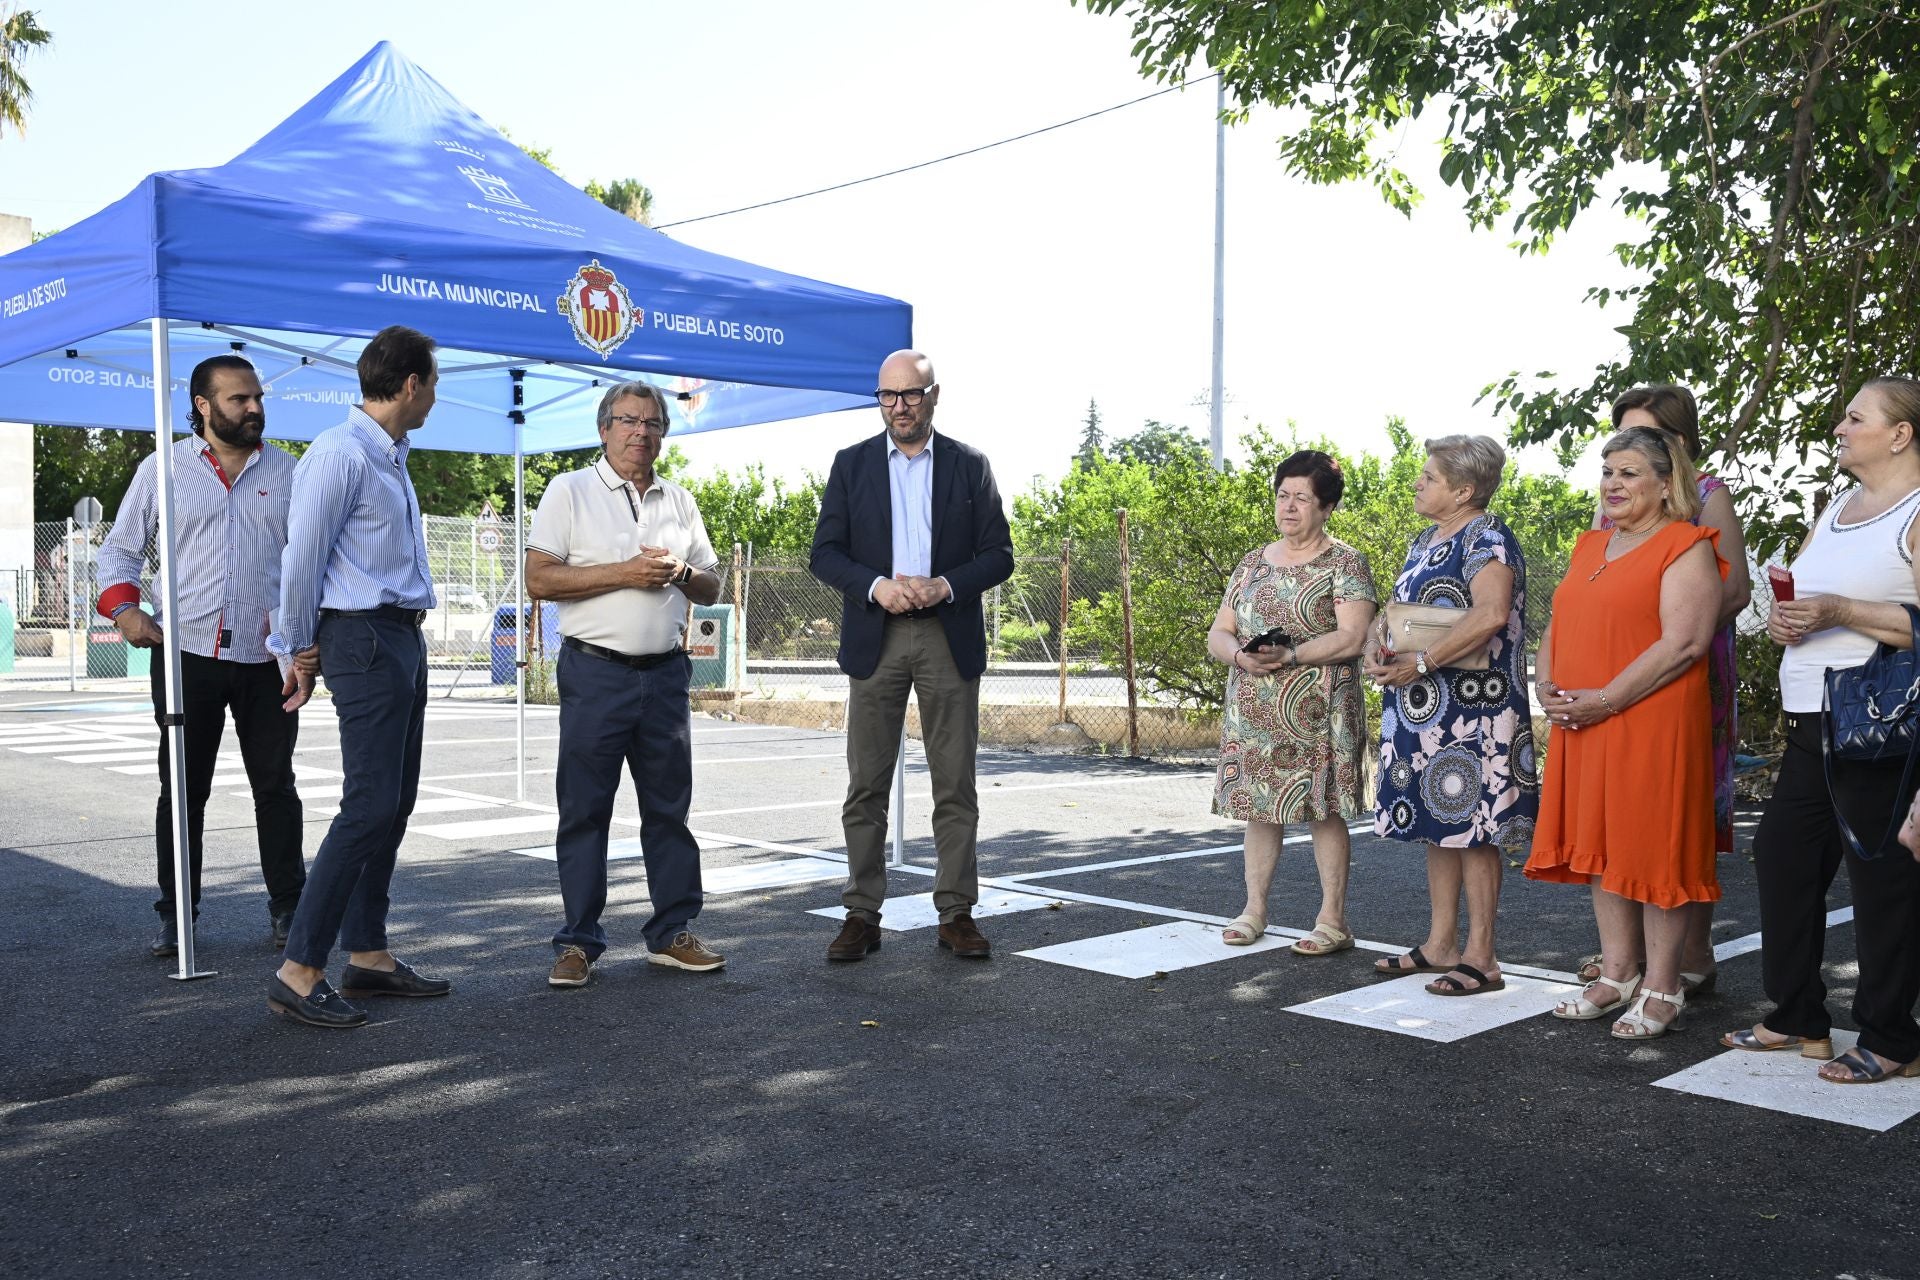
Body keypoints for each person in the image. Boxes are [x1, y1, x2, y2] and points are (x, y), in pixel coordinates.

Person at [1719, 377, 1920, 1084]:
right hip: (1812, 724)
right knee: (1782, 860)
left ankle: (1893, 1037)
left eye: (1855, 417)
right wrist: (1790, 617)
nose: (1839, 427)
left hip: (1881, 729)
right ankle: (1798, 1015)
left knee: (1882, 883)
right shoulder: (1837, 507)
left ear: (1900, 434)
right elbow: (1809, 599)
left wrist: (1839, 608)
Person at [265, 325, 449, 1029]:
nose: (434, 395)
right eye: (431, 382)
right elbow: (301, 559)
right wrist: (296, 648)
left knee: (393, 803)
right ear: (409, 385)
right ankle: (299, 969)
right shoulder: (339, 454)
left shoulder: (391, 454)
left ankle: (366, 955)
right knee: (369, 803)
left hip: (398, 636)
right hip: (361, 637)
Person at [94, 354, 305, 957]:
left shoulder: (290, 473)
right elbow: (119, 555)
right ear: (203, 407)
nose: (255, 408)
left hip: (269, 659)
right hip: (187, 656)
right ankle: (176, 914)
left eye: (257, 397)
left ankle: (288, 909)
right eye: (239, 399)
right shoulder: (161, 470)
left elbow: (312, 564)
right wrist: (126, 612)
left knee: (277, 787)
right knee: (183, 790)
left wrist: (304, 646)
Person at [809, 350, 1013, 961]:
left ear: (933, 395)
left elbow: (999, 554)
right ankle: (861, 915)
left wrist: (943, 585)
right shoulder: (851, 465)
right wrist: (878, 586)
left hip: (947, 634)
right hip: (878, 635)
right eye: (888, 396)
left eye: (911, 394)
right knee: (865, 785)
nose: (900, 406)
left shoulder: (970, 465)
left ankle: (956, 913)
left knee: (955, 784)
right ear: (879, 400)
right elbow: (825, 553)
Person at [1524, 426, 1726, 1040]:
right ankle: (1617, 974)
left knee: (1653, 849)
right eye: (1608, 471)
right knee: (1599, 844)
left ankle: (1663, 987)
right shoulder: (1591, 544)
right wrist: (1547, 682)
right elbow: (1562, 619)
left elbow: (1685, 643)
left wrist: (1605, 700)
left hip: (1648, 721)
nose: (1613, 482)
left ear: (1667, 485)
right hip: (1582, 719)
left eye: (1630, 472)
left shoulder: (1686, 545)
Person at [526, 382, 726, 988]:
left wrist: (683, 572)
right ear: (604, 429)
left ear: (664, 433)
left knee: (669, 811)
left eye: (653, 423)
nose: (642, 432)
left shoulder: (680, 500)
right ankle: (578, 942)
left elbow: (712, 586)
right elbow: (539, 578)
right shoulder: (570, 490)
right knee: (584, 811)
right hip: (596, 671)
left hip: (665, 674)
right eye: (628, 421)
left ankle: (672, 933)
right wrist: (628, 572)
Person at [1572, 386, 1753, 995]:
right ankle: (1628, 960)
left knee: (1680, 814)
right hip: (1612, 672)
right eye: (1621, 437)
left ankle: (1688, 958)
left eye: (1647, 435)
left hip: (1685, 668)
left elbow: (1732, 591)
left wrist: (1670, 613)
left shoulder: (1708, 496)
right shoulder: (1611, 509)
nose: (1631, 449)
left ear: (1677, 442)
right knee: (1619, 816)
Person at [1364, 435, 1536, 995]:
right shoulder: (1426, 538)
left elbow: (1488, 615)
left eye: (1429, 477)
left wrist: (1423, 661)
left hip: (1475, 706)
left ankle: (1482, 956)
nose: (1418, 483)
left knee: (1477, 827)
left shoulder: (1488, 536)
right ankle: (1441, 944)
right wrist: (1377, 641)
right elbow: (1408, 609)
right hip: (1425, 704)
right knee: (1439, 823)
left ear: (1464, 490)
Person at [1207, 450, 1376, 955]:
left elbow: (1353, 636)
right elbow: (1219, 631)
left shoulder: (1344, 562)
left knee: (1324, 811)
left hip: (1319, 710)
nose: (1289, 506)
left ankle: (1332, 920)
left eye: (1303, 497)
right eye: (1283, 495)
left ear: (1326, 508)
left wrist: (1293, 654)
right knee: (1261, 809)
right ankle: (1254, 909)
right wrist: (1239, 655)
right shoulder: (1252, 563)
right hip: (1254, 709)